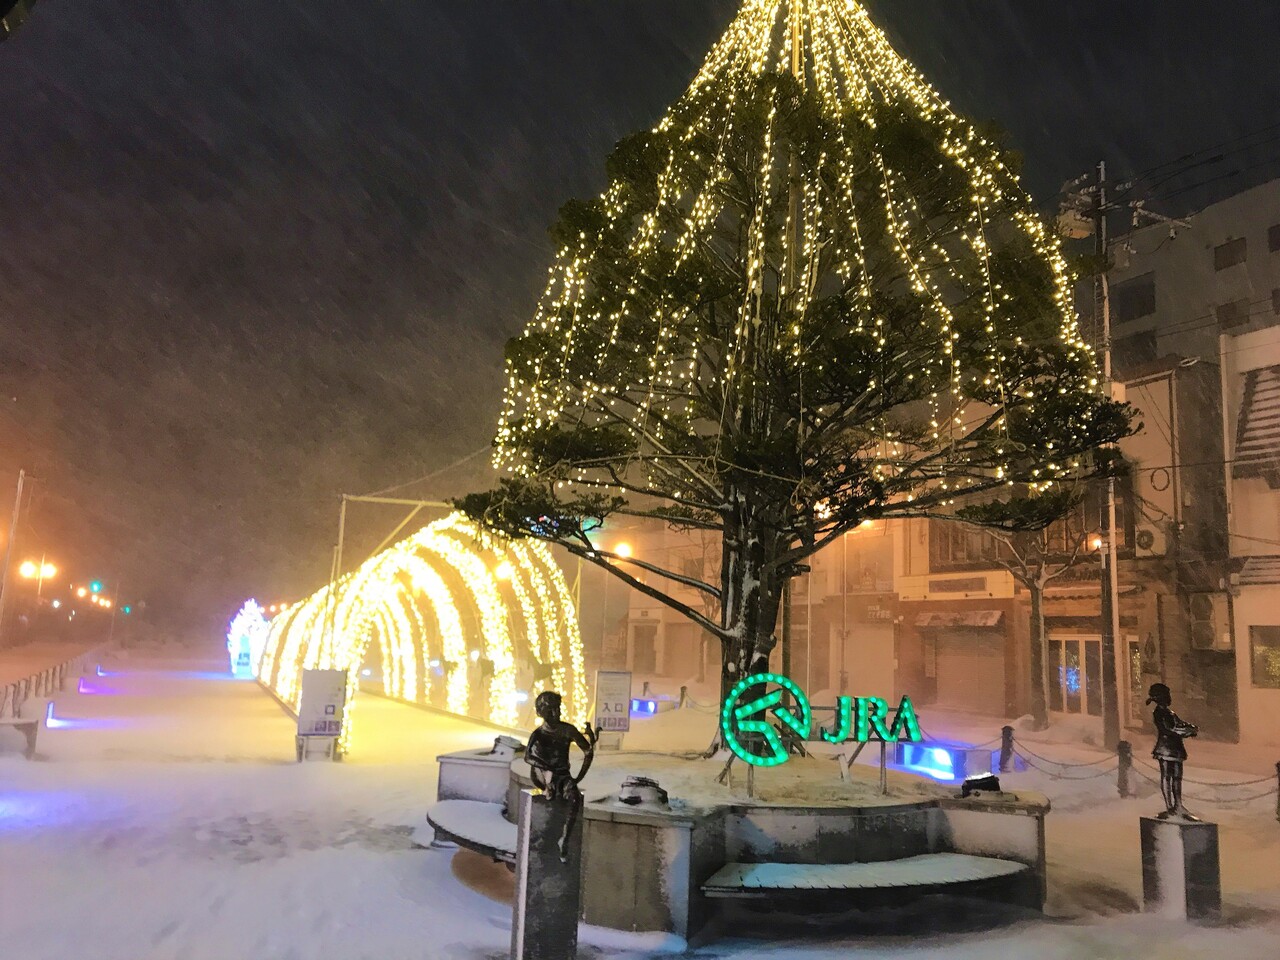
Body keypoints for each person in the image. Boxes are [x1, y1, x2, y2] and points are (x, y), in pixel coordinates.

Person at [525, 690, 597, 859]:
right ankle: (549, 791)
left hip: (563, 775)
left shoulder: (568, 730)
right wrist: (544, 766)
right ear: (542, 712)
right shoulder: (538, 734)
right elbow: (528, 757)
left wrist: (579, 776)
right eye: (551, 709)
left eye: (558, 708)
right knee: (550, 785)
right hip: (543, 775)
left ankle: (565, 839)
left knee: (575, 798)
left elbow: (588, 751)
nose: (557, 713)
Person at [1147, 682, 1198, 820]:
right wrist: (1184, 732)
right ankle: (1170, 806)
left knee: (1177, 776)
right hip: (1165, 748)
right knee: (1167, 776)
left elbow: (1179, 724)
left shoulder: (1170, 713)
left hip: (1175, 748)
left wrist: (1190, 728)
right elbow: (1167, 729)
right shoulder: (1159, 712)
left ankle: (1178, 805)